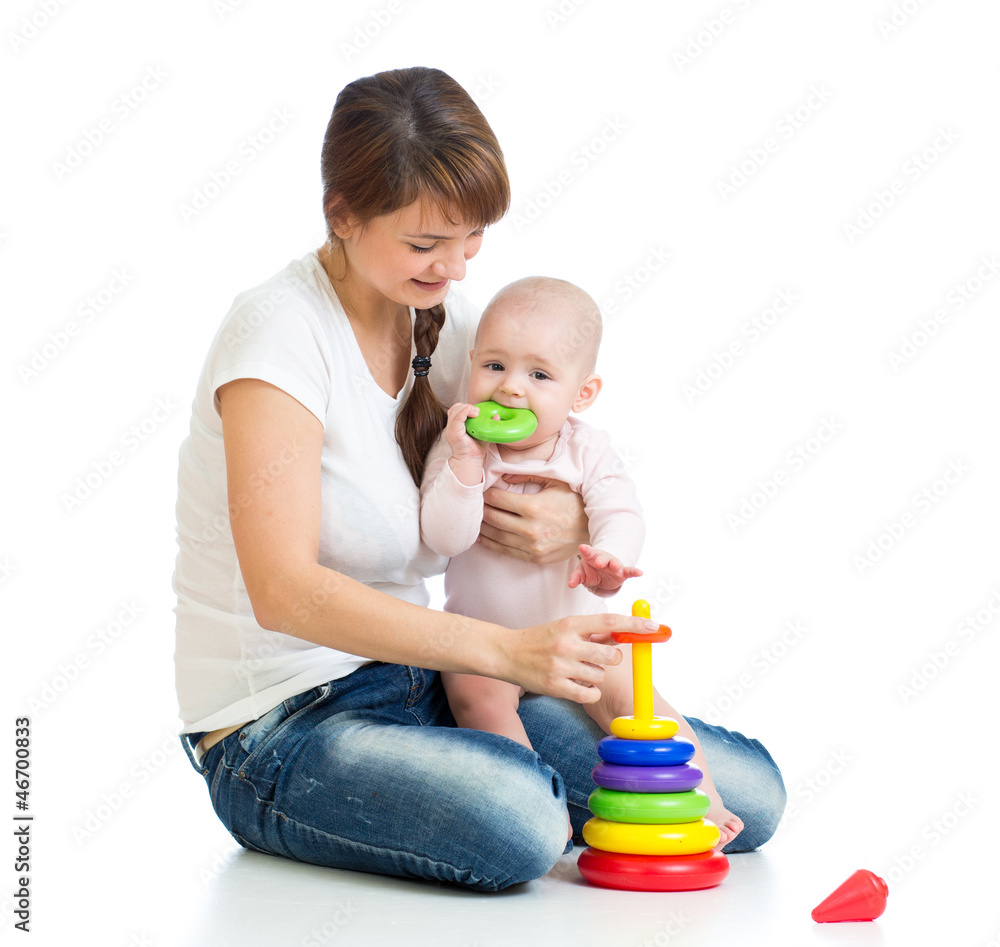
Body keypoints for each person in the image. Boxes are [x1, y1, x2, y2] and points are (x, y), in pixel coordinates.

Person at [173, 66, 786, 893]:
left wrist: (573, 521)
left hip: (427, 676)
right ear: (342, 213)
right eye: (425, 243)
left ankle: (525, 778)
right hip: (283, 722)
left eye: (471, 239)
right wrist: (509, 651)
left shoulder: (453, 326)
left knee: (747, 797)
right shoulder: (277, 336)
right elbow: (284, 591)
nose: (454, 267)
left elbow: (552, 438)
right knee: (524, 821)